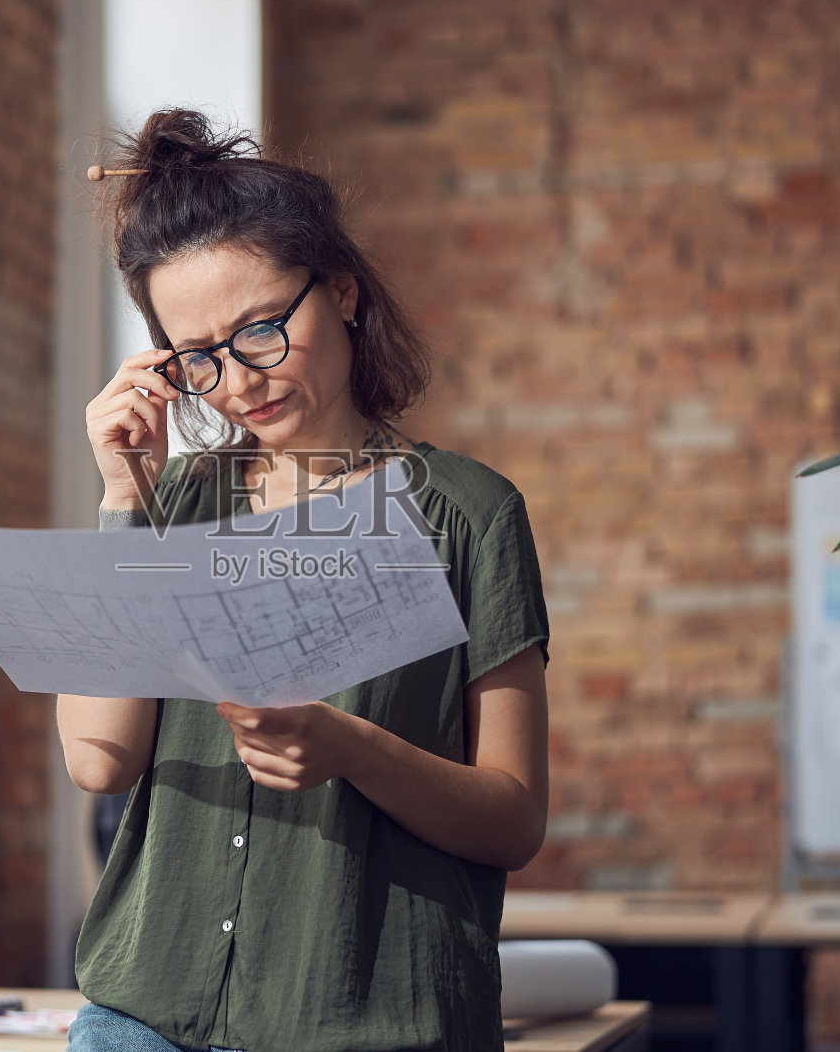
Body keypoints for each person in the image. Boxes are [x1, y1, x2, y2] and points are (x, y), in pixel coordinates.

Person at [57, 109, 551, 1052]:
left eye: (261, 332)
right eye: (198, 358)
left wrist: (353, 749)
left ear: (344, 293)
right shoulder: (174, 510)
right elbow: (97, 760)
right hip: (145, 1019)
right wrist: (122, 497)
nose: (238, 381)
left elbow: (514, 817)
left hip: (371, 1024)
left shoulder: (469, 515)